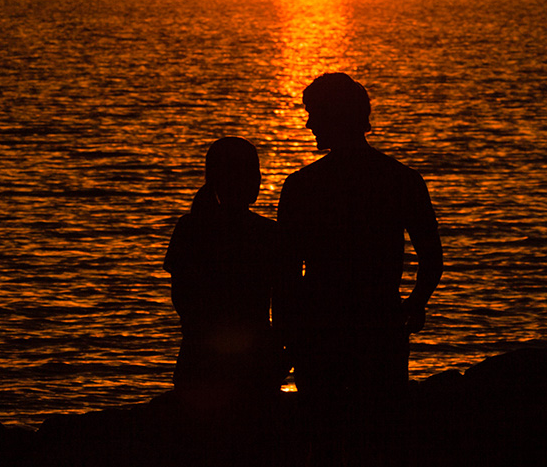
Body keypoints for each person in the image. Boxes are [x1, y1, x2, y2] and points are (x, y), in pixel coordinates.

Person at [277, 72, 443, 462]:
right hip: (380, 327)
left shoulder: (302, 186)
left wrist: (283, 334)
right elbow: (432, 259)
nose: (308, 124)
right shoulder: (402, 179)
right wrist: (415, 304)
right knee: (380, 438)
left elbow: (284, 273)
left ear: (333, 117)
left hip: (320, 332)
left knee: (324, 439)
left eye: (313, 114)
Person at [164, 137, 290, 409]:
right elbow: (285, 307)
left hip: (198, 357)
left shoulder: (189, 228)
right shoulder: (269, 234)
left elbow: (182, 299)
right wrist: (281, 360)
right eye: (252, 173)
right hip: (255, 360)